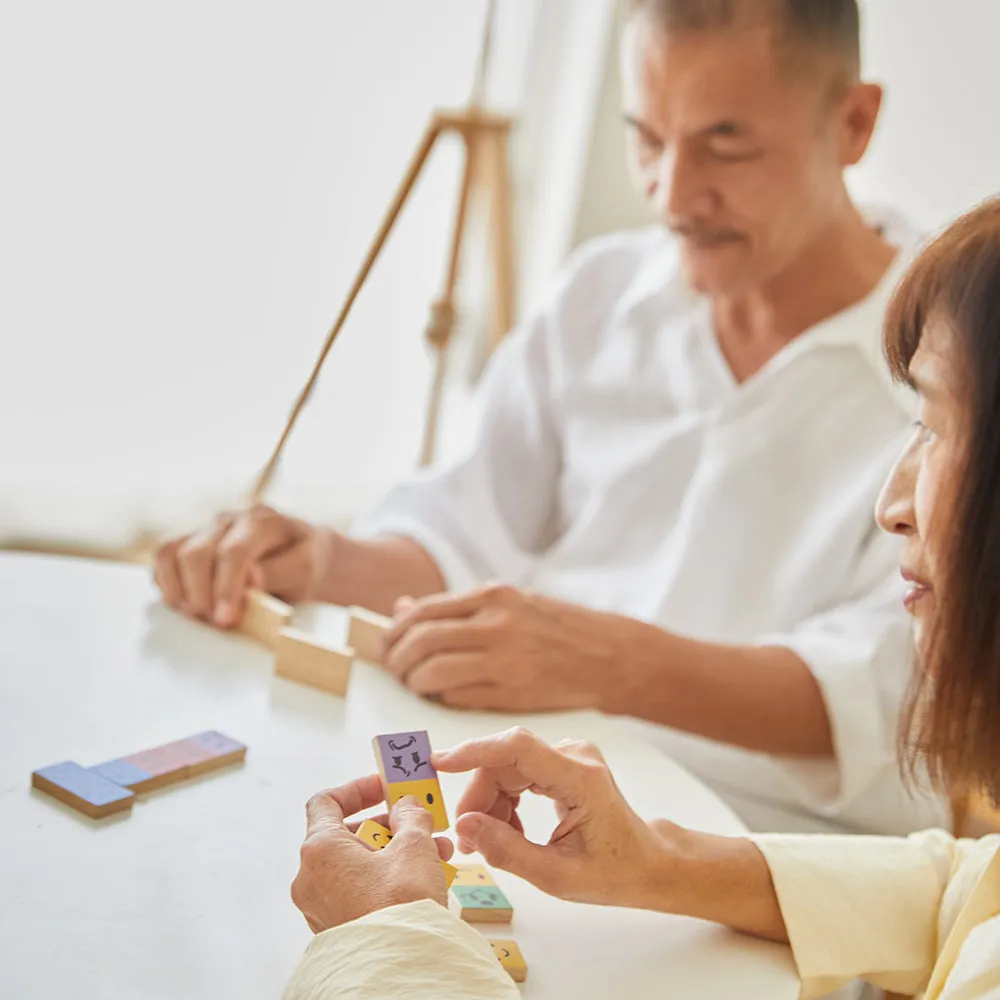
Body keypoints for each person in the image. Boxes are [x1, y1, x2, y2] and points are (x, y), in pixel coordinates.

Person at [155, 0, 939, 835]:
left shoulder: (955, 358)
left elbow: (895, 692)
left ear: (853, 123)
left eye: (725, 143)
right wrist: (318, 560)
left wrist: (607, 663)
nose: (671, 194)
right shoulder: (599, 295)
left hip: (767, 860)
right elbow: (464, 533)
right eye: (646, 137)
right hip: (519, 797)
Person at [281, 198, 1000, 999]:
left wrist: (387, 946)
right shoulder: (603, 290)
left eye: (936, 428)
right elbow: (966, 890)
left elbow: (865, 692)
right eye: (649, 139)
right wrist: (660, 861)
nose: (890, 501)